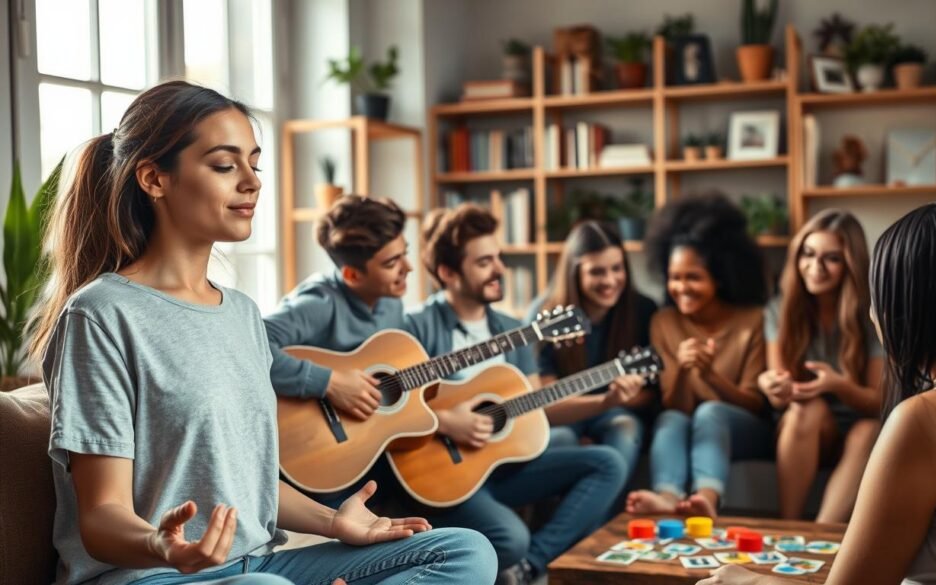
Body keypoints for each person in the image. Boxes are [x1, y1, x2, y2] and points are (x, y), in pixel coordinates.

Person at [29, 80, 496, 585]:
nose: (251, 182)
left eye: (255, 163)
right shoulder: (101, 315)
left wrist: (333, 520)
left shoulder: (243, 314)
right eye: (225, 165)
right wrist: (161, 544)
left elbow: (246, 482)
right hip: (149, 575)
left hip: (259, 563)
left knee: (465, 551)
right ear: (154, 179)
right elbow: (100, 518)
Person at [697, 201, 936, 584]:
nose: (873, 314)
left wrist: (747, 579)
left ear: (909, 307)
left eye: (879, 297)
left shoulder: (928, 419)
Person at [404, 204, 628, 585]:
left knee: (608, 462)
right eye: (485, 262)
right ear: (448, 272)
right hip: (443, 474)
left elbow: (537, 407)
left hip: (500, 465)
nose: (500, 270)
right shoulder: (416, 328)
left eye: (500, 257)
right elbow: (387, 408)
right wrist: (445, 421)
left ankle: (528, 569)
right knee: (510, 538)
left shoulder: (513, 330)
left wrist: (604, 401)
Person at [626, 195, 771, 519]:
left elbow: (756, 404)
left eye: (693, 277)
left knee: (710, 413)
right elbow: (674, 405)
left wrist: (710, 377)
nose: (681, 288)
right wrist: (680, 370)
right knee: (670, 419)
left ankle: (707, 498)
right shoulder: (664, 321)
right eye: (675, 278)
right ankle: (667, 496)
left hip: (743, 426)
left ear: (719, 278)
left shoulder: (752, 320)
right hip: (688, 416)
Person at [263, 195, 413, 507]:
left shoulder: (392, 304)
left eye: (404, 254)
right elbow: (252, 343)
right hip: (317, 456)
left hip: (367, 449)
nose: (408, 268)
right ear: (352, 275)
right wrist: (329, 383)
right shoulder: (318, 304)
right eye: (391, 263)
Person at [759, 209, 882, 523]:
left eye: (832, 258)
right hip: (805, 426)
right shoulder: (779, 309)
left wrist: (838, 385)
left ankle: (821, 532)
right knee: (806, 409)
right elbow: (778, 398)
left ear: (851, 264)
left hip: (856, 429)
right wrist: (772, 385)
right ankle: (788, 527)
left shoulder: (871, 314)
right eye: (808, 254)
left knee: (869, 430)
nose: (815, 268)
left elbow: (878, 402)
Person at [525, 220, 658, 480]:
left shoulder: (643, 309)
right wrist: (601, 402)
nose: (610, 281)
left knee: (626, 428)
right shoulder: (544, 316)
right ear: (574, 274)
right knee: (560, 439)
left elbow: (653, 393)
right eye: (597, 272)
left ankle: (606, 522)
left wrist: (624, 397)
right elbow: (544, 405)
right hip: (564, 418)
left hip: (617, 413)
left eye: (617, 269)